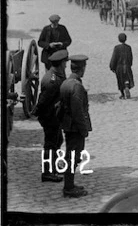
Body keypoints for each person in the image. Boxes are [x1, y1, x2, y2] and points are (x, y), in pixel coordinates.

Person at [32, 49, 69, 183]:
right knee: (50, 144)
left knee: (58, 141)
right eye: (64, 63)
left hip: (54, 116)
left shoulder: (56, 75)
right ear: (59, 64)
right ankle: (47, 172)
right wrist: (41, 114)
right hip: (50, 116)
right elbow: (43, 101)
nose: (66, 65)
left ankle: (53, 166)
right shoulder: (52, 80)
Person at [59, 54, 92, 198]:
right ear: (82, 69)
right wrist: (84, 129)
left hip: (68, 125)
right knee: (73, 157)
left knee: (71, 156)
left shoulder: (66, 82)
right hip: (75, 128)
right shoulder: (76, 86)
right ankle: (69, 187)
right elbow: (78, 111)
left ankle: (70, 185)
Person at [109, 33, 134, 100]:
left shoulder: (117, 48)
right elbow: (130, 57)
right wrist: (130, 64)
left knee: (120, 80)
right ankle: (126, 86)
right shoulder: (128, 47)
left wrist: (112, 66)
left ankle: (122, 94)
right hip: (127, 66)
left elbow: (114, 58)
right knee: (126, 78)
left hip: (119, 67)